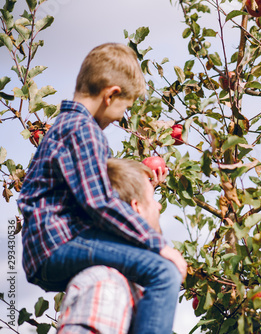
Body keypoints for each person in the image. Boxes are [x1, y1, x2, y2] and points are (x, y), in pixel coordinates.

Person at [18, 43, 186, 334]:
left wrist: (140, 182)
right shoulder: (83, 130)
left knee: (133, 271)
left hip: (49, 245)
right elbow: (99, 201)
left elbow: (95, 184)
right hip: (57, 244)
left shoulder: (66, 127)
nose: (122, 117)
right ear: (112, 95)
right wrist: (159, 246)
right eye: (126, 108)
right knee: (162, 272)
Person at [58, 158, 186, 334]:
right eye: (151, 199)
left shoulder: (126, 284)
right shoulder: (107, 286)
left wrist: (145, 189)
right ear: (136, 207)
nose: (159, 205)